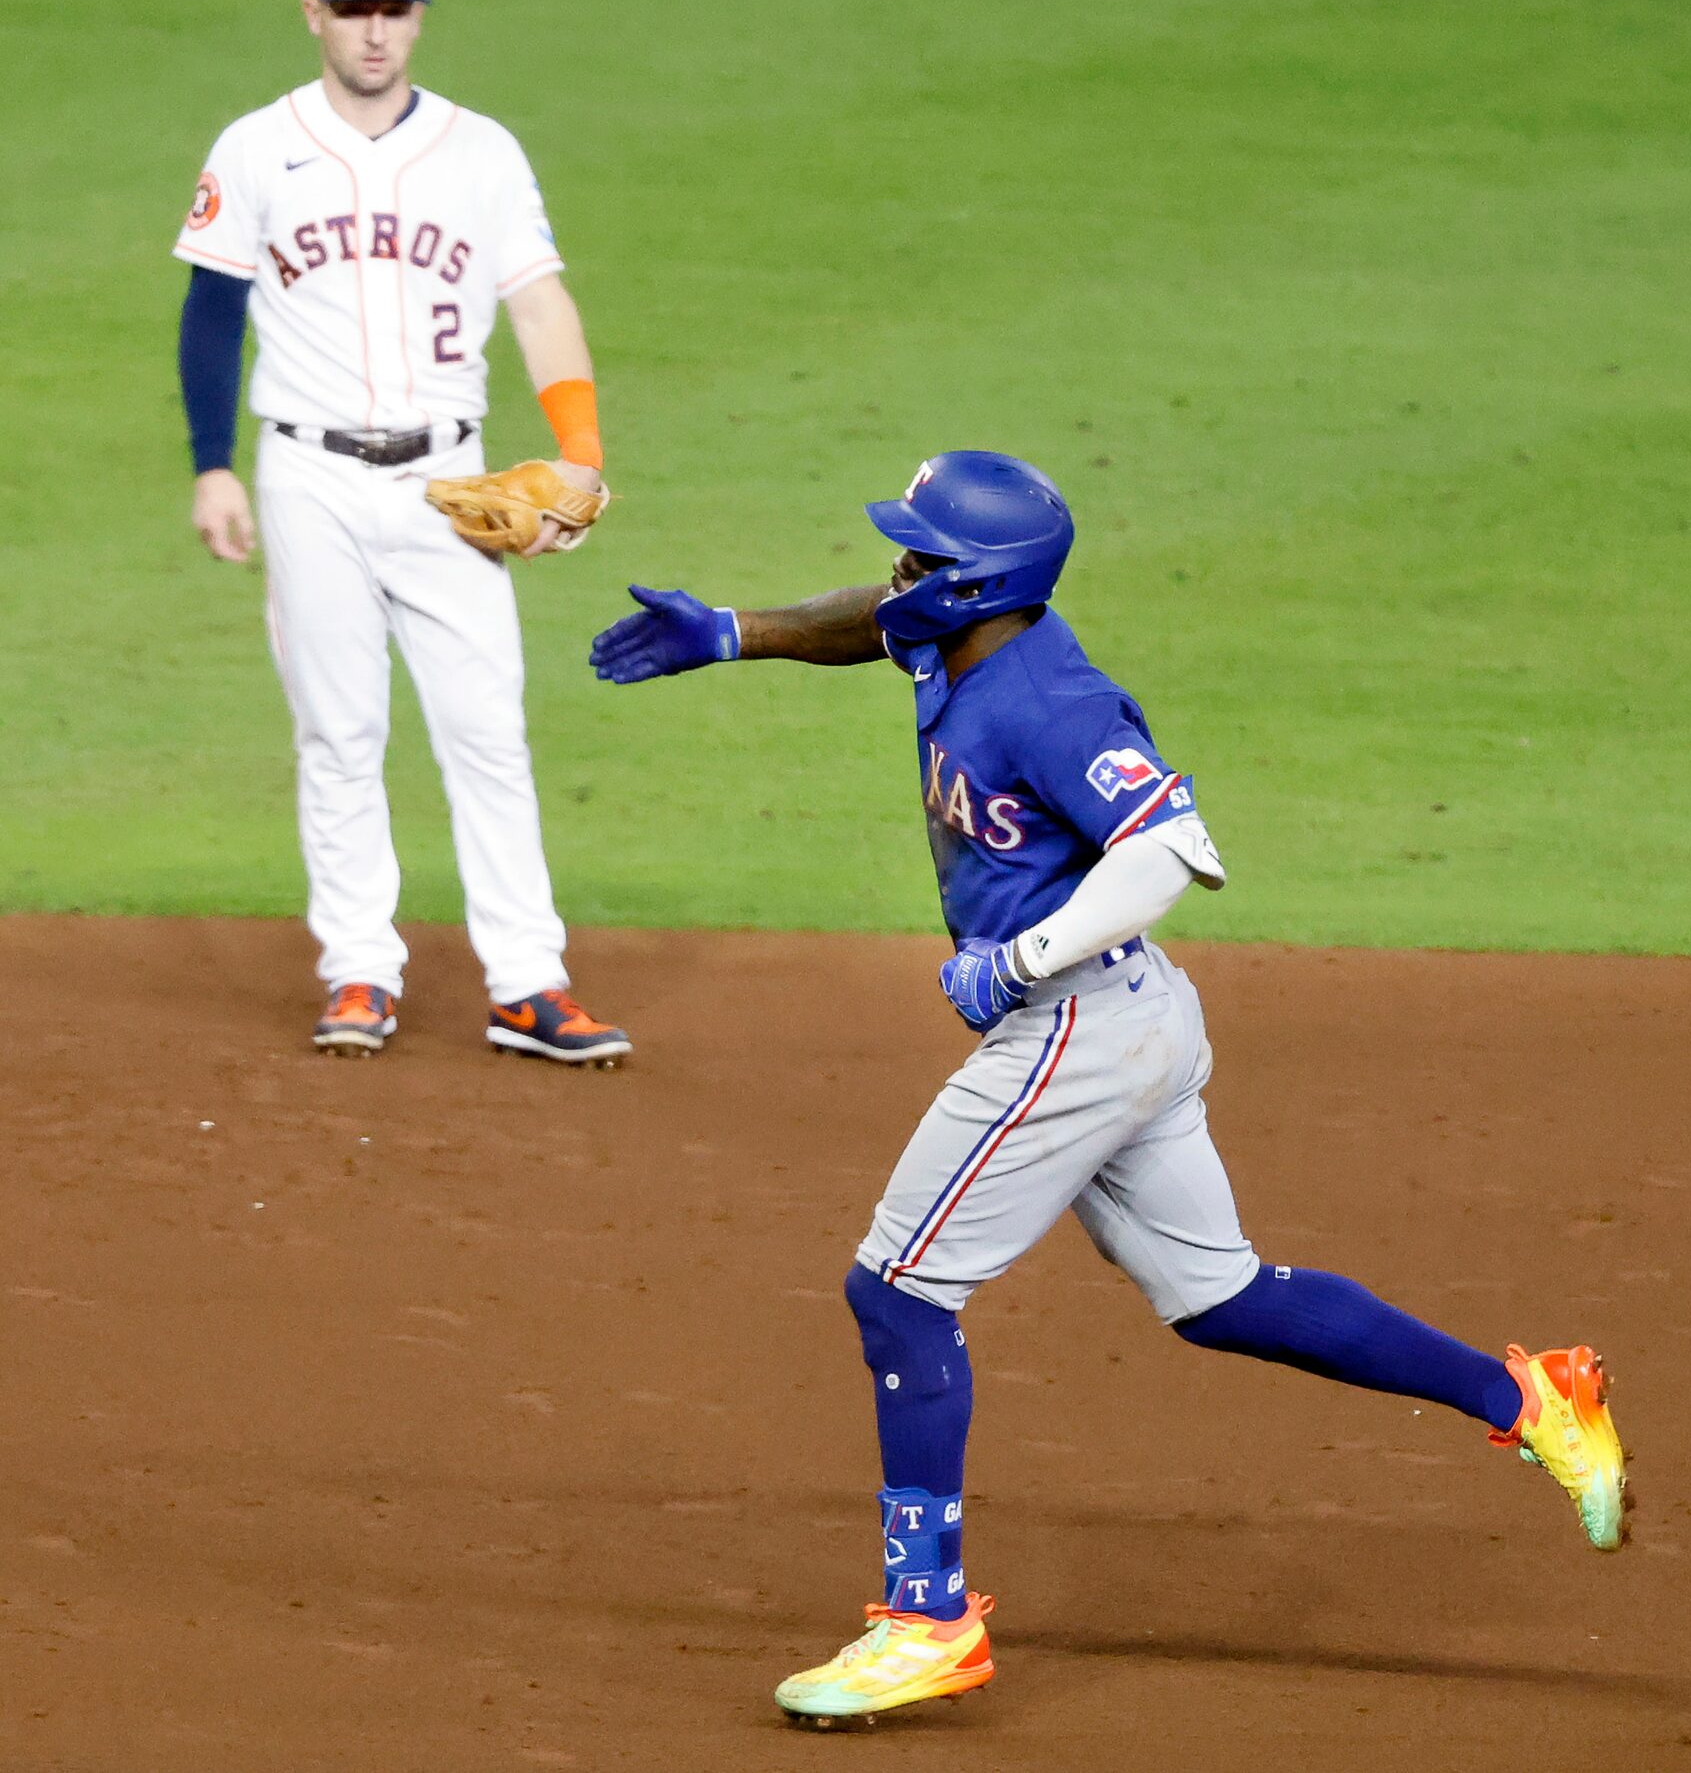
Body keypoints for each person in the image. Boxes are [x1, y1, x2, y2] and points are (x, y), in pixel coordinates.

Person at [589, 451, 1628, 1725]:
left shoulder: (1047, 701)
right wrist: (738, 633)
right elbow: (875, 616)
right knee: (1221, 1296)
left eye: (926, 560)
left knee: (898, 1291)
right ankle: (1531, 1397)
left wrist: (1017, 956)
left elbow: (1174, 853)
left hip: (1071, 1029)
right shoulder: (961, 638)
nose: (901, 576)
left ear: (983, 589)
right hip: (1134, 1021)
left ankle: (925, 1622)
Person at [173, 0, 629, 1065]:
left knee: (486, 732)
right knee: (339, 730)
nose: (375, 31)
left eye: (394, 10)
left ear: (418, 17)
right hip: (306, 474)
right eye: (354, 8)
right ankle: (359, 974)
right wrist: (211, 463)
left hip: (447, 477)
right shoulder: (254, 147)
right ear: (314, 12)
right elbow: (211, 312)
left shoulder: (482, 153)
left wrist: (579, 446)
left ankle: (528, 984)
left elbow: (538, 303)